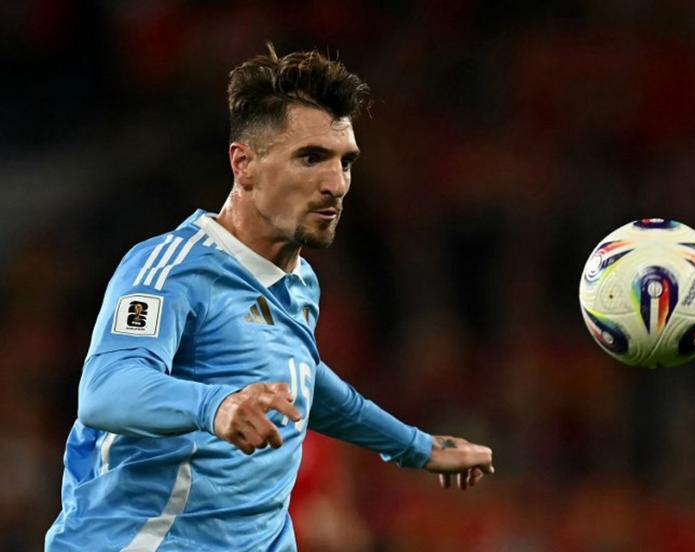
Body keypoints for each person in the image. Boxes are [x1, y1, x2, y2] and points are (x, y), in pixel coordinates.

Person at [46, 44, 494, 551]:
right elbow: (107, 388)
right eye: (311, 158)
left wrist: (416, 446)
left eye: (345, 162)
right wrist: (217, 405)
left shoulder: (300, 281)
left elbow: (305, 381)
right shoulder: (171, 271)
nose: (336, 184)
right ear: (245, 164)